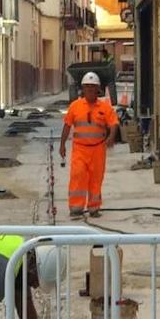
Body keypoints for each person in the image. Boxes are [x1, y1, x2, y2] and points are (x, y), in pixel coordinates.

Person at [59, 71, 119, 218]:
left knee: (96, 179)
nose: (90, 90)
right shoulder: (75, 106)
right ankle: (76, 207)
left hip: (98, 149)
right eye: (87, 87)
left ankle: (94, 208)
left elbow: (114, 124)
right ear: (83, 89)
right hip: (80, 149)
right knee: (78, 176)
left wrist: (111, 137)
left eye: (93, 88)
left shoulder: (105, 107)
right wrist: (62, 145)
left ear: (98, 90)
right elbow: (67, 125)